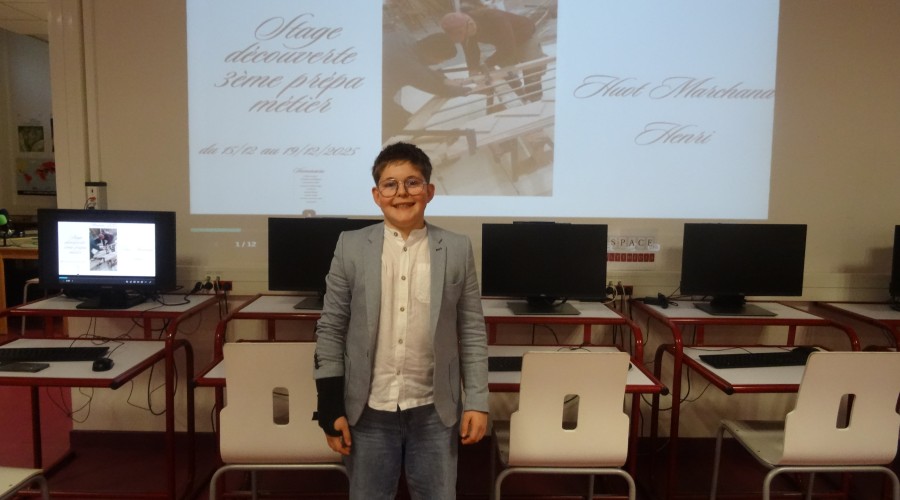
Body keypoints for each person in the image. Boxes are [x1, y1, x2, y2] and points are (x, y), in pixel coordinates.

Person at [314, 142, 489, 500]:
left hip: (434, 412)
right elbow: (331, 329)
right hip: (368, 411)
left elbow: (471, 331)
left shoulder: (456, 248)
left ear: (430, 191)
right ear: (377, 195)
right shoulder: (350, 246)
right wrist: (329, 407)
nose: (402, 193)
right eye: (390, 184)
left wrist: (477, 400)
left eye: (413, 182)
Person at [440, 8, 547, 104]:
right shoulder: (463, 29)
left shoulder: (495, 18)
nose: (464, 39)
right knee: (507, 71)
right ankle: (519, 93)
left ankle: (535, 99)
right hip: (503, 41)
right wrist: (473, 71)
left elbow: (508, 49)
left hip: (525, 35)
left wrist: (486, 64)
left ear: (471, 24)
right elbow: (471, 51)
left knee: (532, 69)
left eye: (464, 36)